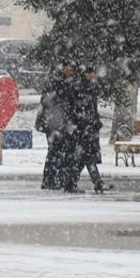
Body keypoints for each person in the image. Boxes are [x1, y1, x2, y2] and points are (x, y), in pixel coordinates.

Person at [38, 60, 80, 191]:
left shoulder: (66, 82)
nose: (70, 72)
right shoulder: (56, 82)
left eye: (72, 70)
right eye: (68, 69)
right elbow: (51, 101)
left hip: (62, 122)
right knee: (55, 151)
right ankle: (50, 180)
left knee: (63, 152)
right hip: (54, 123)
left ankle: (59, 179)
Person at [74, 65, 111, 193]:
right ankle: (97, 183)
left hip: (88, 127)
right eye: (94, 73)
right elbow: (83, 109)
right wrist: (91, 122)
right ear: (87, 74)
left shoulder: (89, 87)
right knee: (87, 157)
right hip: (86, 128)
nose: (96, 76)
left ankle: (71, 182)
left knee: (84, 158)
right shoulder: (84, 88)